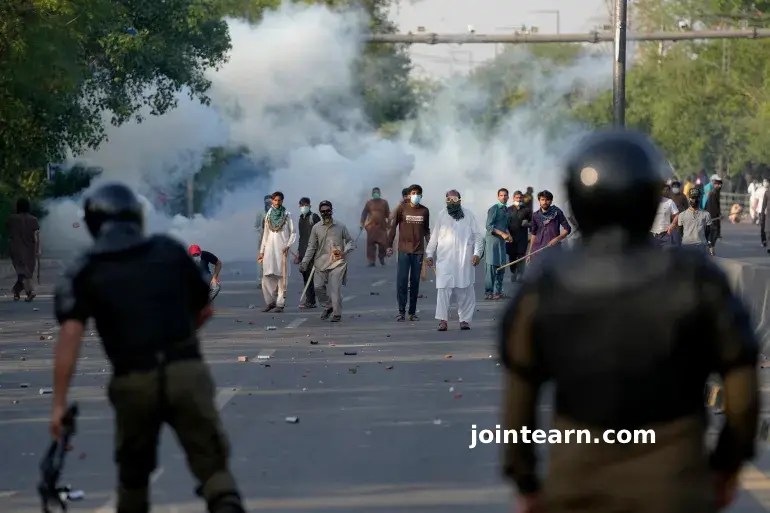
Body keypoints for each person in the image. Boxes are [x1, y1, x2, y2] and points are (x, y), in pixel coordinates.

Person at [499, 129, 759, 513]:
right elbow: (740, 382)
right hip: (676, 484)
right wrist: (726, 467)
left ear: (578, 199)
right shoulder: (697, 278)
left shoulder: (547, 282)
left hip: (577, 483)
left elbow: (519, 398)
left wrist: (525, 480)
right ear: (647, 196)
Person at [50, 182, 246, 513]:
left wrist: (58, 404)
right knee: (214, 473)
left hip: (133, 380)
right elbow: (205, 309)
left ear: (93, 224)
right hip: (185, 370)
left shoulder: (84, 268)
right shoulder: (169, 251)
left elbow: (70, 336)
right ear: (137, 217)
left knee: (133, 481)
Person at [425, 190, 483, 331]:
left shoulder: (468, 215)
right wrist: (429, 253)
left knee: (465, 290)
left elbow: (478, 236)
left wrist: (477, 253)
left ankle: (464, 320)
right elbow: (434, 237)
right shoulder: (441, 215)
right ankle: (443, 320)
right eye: (449, 199)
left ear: (460, 200)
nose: (451, 202)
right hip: (445, 260)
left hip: (464, 260)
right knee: (443, 290)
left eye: (454, 199)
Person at [300, 200, 354, 322]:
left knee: (335, 289)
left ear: (332, 211)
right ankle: (328, 305)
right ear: (320, 212)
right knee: (318, 287)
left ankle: (336, 314)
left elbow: (350, 241)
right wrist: (305, 262)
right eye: (323, 211)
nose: (325, 213)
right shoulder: (316, 228)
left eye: (328, 211)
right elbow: (311, 246)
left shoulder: (340, 226)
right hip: (320, 263)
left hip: (337, 263)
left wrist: (345, 251)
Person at [387, 184, 430, 322]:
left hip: (418, 251)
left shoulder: (424, 211)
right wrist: (389, 245)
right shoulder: (402, 209)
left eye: (418, 193)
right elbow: (393, 227)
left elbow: (426, 230)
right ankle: (401, 311)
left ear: (421, 195)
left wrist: (430, 249)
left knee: (415, 282)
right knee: (402, 281)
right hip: (404, 251)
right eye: (413, 193)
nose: (415, 195)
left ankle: (412, 312)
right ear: (409, 195)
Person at [258, 191, 296, 313]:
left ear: (282, 201)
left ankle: (280, 303)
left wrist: (288, 245)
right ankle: (270, 302)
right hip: (269, 249)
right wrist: (261, 251)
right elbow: (265, 234)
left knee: (281, 277)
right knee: (266, 277)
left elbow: (293, 232)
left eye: (279, 200)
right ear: (272, 201)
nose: (276, 202)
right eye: (275, 200)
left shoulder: (287, 214)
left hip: (282, 249)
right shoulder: (269, 214)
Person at [6, 197, 40, 301]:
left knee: (23, 272)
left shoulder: (11, 219)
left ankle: (16, 291)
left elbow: (8, 233)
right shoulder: (33, 220)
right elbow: (36, 235)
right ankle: (29, 292)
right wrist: (39, 249)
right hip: (30, 249)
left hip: (16, 249)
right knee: (26, 272)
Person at [526, 190, 571, 267]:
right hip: (538, 251)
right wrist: (530, 253)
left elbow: (567, 229)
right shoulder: (535, 215)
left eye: (547, 200)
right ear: (539, 201)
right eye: (542, 199)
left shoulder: (557, 212)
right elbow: (533, 234)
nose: (545, 202)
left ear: (551, 201)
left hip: (553, 250)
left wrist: (557, 239)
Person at [484, 188, 512, 300]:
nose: (503, 197)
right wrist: (502, 234)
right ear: (498, 197)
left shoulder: (506, 210)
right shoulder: (494, 209)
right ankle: (489, 292)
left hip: (501, 243)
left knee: (501, 266)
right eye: (501, 195)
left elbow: (505, 226)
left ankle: (498, 292)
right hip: (493, 242)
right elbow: (488, 226)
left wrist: (509, 235)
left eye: (505, 195)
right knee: (491, 266)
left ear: (508, 197)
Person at [295, 197, 321, 308]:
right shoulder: (301, 218)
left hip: (313, 251)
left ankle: (312, 301)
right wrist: (298, 254)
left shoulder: (314, 217)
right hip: (303, 252)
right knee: (306, 276)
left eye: (306, 205)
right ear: (299, 206)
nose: (304, 207)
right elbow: (301, 237)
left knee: (312, 276)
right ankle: (310, 300)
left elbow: (321, 232)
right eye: (302, 205)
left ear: (310, 205)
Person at [360, 187, 391, 267]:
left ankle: (381, 257)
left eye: (377, 192)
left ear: (380, 193)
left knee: (383, 244)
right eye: (374, 192)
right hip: (371, 227)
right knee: (370, 245)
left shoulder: (384, 202)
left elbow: (388, 214)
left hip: (382, 227)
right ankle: (371, 261)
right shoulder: (369, 203)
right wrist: (362, 223)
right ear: (372, 194)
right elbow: (364, 213)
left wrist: (389, 224)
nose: (376, 193)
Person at [506, 190, 531, 282]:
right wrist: (506, 234)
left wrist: (528, 224)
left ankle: (520, 274)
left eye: (520, 197)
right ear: (513, 198)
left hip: (522, 237)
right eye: (517, 197)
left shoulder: (527, 210)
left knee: (521, 256)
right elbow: (504, 223)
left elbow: (533, 223)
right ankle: (513, 272)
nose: (518, 199)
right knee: (512, 256)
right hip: (511, 237)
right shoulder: (508, 210)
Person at [678, 187, 713, 253]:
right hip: (686, 245)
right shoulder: (681, 215)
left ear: (700, 198)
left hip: (701, 245)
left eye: (696, 198)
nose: (694, 200)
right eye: (692, 198)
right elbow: (680, 232)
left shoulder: (706, 214)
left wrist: (709, 244)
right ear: (689, 198)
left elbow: (708, 232)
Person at [254, 194, 271, 284]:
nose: (268, 204)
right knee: (261, 260)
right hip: (262, 240)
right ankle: (261, 280)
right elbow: (256, 226)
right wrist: (261, 230)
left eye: (270, 202)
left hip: (273, 240)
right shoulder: (260, 213)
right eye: (267, 202)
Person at [704, 175, 722, 256]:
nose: (719, 186)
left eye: (720, 184)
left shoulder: (716, 193)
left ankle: (711, 249)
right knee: (711, 235)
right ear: (714, 185)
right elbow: (711, 208)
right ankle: (710, 250)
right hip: (711, 219)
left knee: (714, 235)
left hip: (715, 219)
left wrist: (720, 214)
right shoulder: (712, 194)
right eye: (717, 184)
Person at [669, 180, 688, 245]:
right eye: (674, 187)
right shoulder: (669, 196)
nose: (675, 188)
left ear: (679, 188)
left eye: (676, 187)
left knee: (678, 238)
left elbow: (687, 208)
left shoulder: (683, 196)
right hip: (670, 221)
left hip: (680, 221)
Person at [755, 179, 768, 246]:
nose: (766, 183)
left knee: (766, 226)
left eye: (767, 181)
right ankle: (764, 240)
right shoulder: (759, 190)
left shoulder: (768, 190)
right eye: (765, 181)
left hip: (767, 211)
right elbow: (756, 200)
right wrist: (755, 209)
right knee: (762, 226)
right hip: (761, 210)